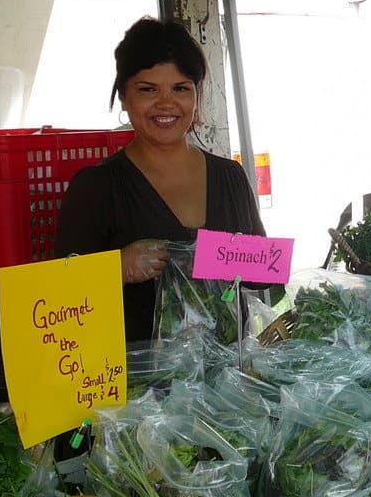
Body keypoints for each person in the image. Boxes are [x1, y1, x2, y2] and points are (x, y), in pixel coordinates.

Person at [54, 17, 265, 341]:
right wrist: (118, 268)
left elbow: (261, 276)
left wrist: (236, 258)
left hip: (227, 382)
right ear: (124, 97)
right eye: (148, 89)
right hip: (137, 385)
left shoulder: (230, 177)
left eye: (180, 88)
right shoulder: (96, 188)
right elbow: (56, 296)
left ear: (196, 96)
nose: (166, 103)